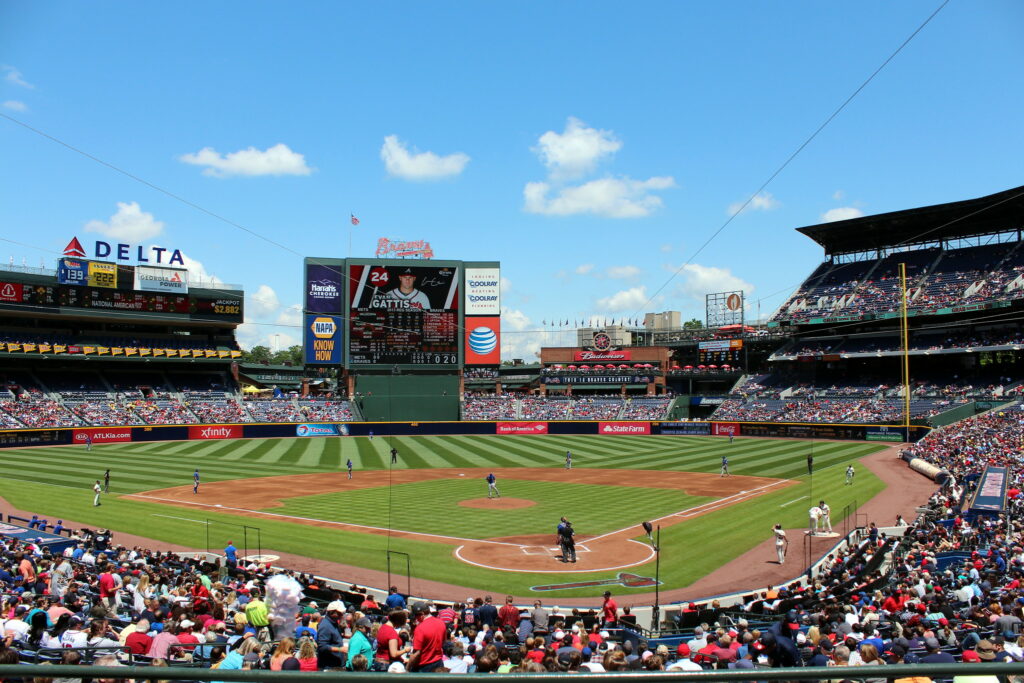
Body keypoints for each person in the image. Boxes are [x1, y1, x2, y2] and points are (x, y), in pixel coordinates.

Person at [408, 602, 445, 672]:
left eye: (416, 615)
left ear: (422, 614)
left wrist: (407, 668)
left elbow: (416, 654)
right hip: (439, 664)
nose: (415, 618)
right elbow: (443, 641)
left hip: (424, 666)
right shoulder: (441, 623)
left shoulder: (419, 628)